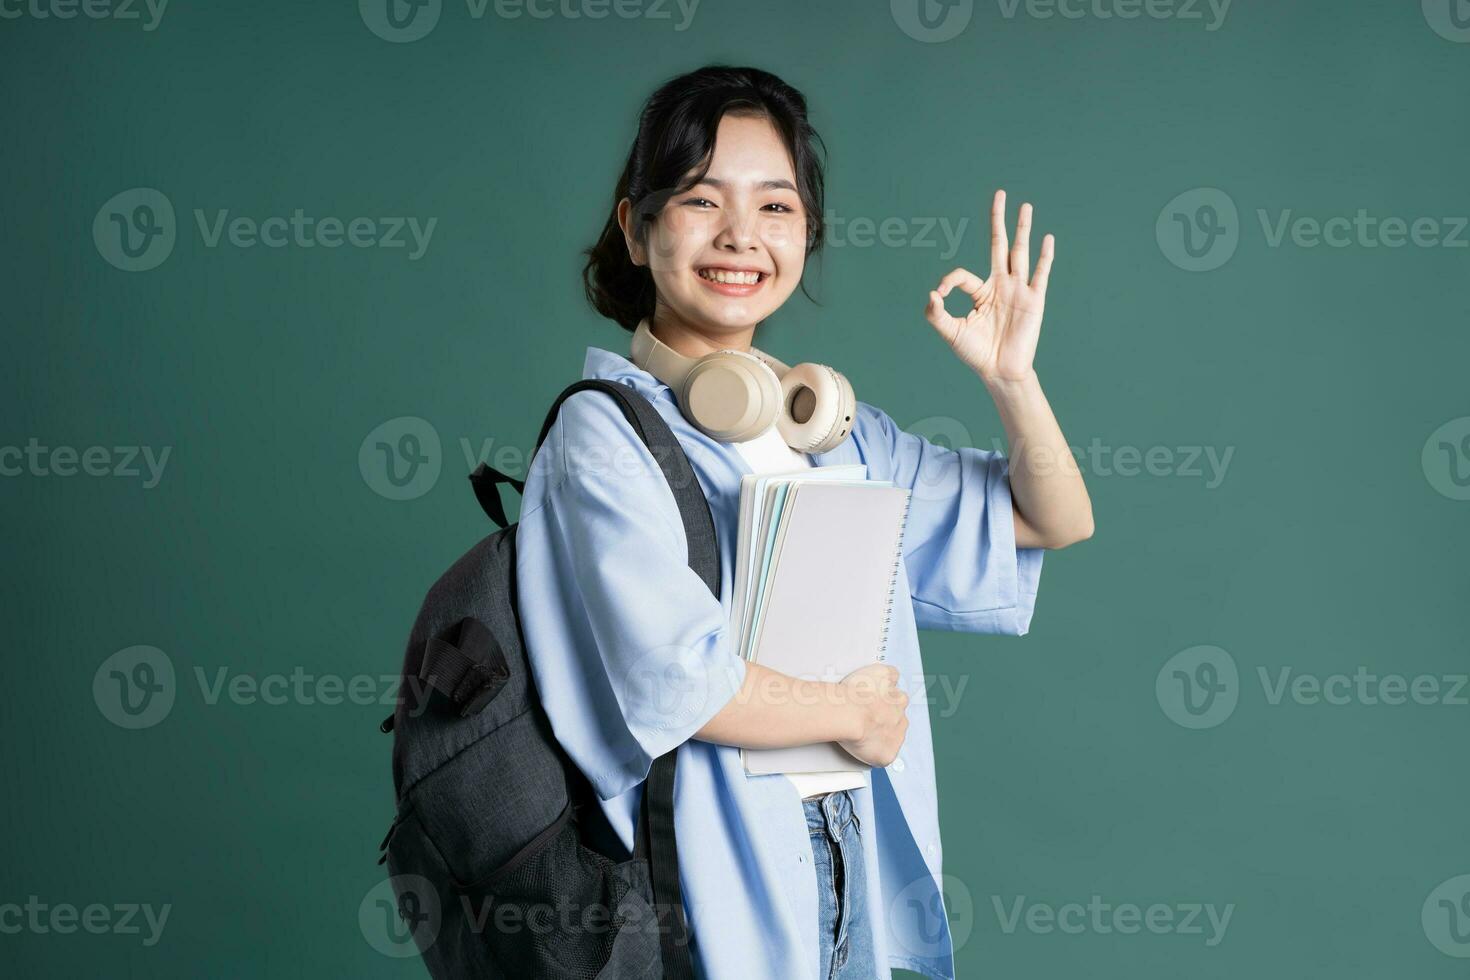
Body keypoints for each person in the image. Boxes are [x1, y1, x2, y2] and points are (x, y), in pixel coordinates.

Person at [514, 64, 1093, 980]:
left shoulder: (828, 428)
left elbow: (1048, 516)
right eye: (702, 200)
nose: (742, 236)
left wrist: (1012, 381)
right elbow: (674, 680)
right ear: (635, 227)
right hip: (704, 874)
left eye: (776, 207)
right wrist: (848, 713)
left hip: (841, 848)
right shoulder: (604, 432)